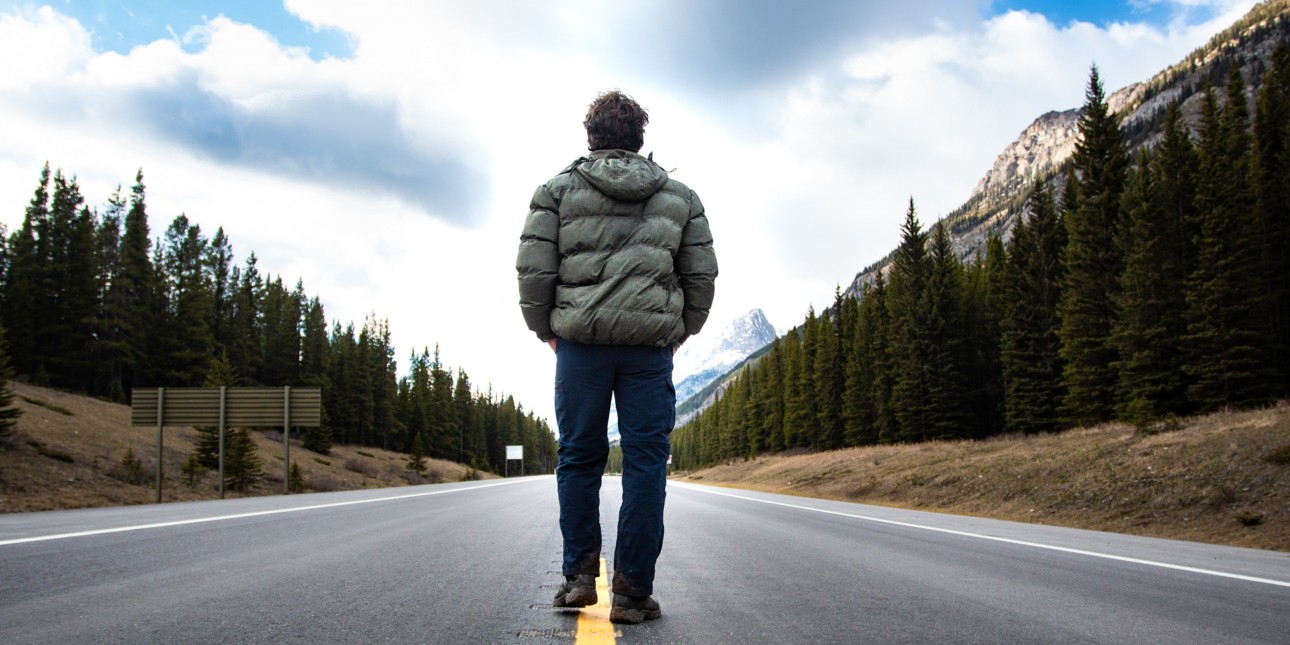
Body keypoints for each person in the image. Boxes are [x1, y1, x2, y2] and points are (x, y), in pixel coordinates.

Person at [516, 90, 717, 625]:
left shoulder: (555, 192)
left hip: (580, 347)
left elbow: (535, 270)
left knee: (579, 458)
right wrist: (678, 333)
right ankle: (631, 593)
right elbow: (700, 277)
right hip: (648, 353)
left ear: (592, 137)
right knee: (646, 464)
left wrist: (547, 334)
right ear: (639, 138)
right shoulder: (680, 197)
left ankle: (580, 579)